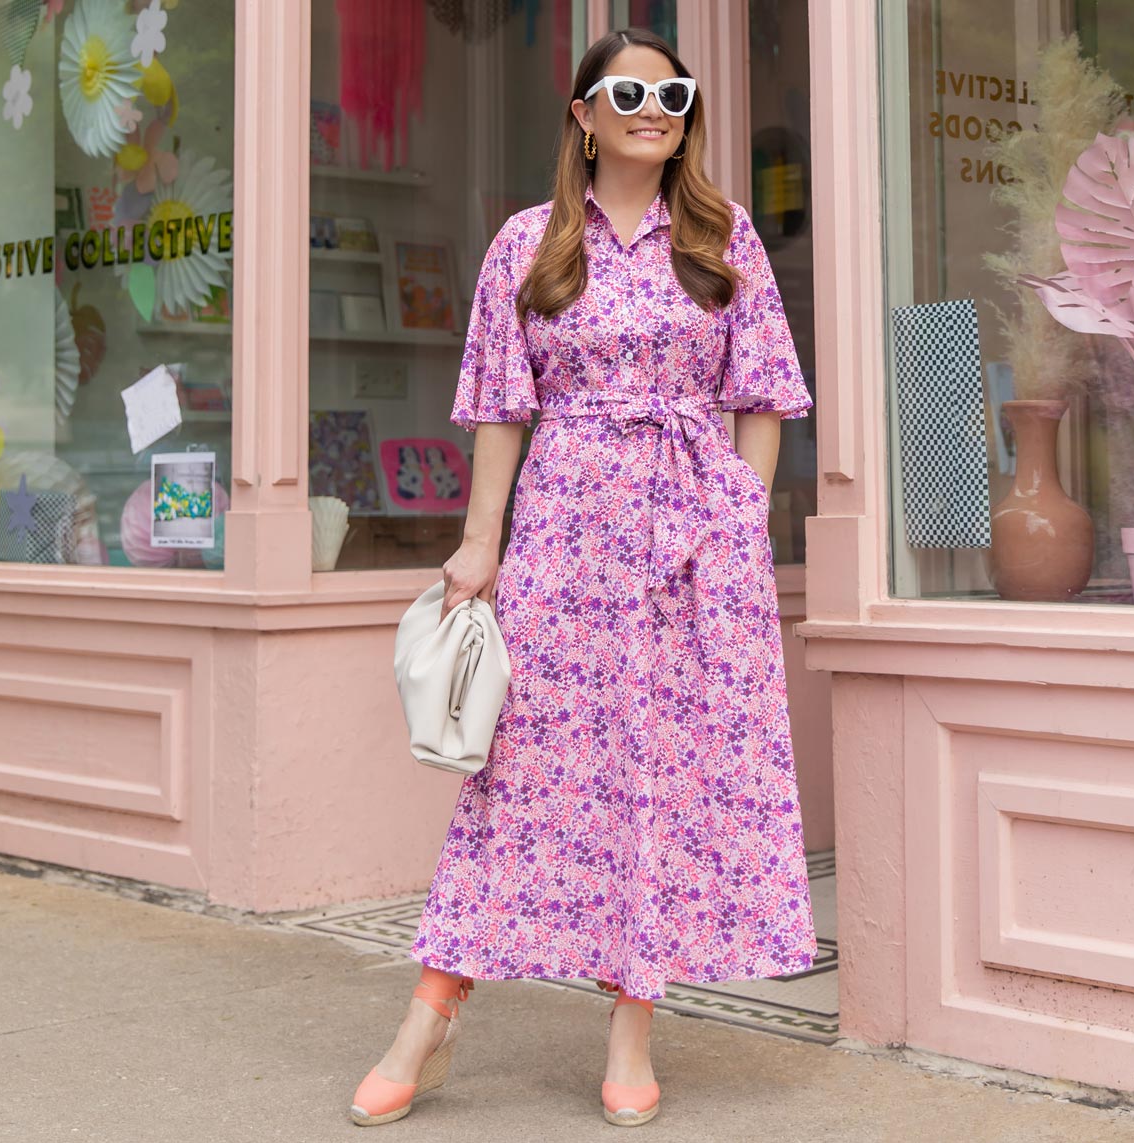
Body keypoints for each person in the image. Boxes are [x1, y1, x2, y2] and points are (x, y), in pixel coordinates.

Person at [350, 26, 817, 1129]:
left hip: (694, 541)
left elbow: (763, 399)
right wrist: (480, 541)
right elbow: (503, 409)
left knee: (660, 775)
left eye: (673, 93)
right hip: (565, 529)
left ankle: (631, 1027)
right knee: (520, 775)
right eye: (628, 91)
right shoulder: (528, 243)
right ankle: (432, 1011)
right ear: (583, 112)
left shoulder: (721, 234)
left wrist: (739, 523)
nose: (654, 108)